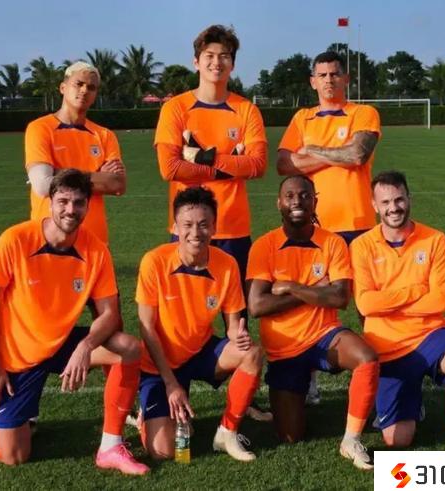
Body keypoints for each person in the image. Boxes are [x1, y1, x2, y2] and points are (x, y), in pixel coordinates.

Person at [0, 170, 149, 474]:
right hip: (18, 356)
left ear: (88, 205)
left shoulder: (96, 250)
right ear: (49, 202)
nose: (70, 210)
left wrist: (85, 347)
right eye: (63, 201)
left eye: (78, 202)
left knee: (128, 348)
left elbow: (110, 314)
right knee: (14, 455)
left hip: (63, 343)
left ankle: (110, 445)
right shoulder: (16, 239)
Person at [154, 24, 270, 421]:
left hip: (234, 229)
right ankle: (165, 388)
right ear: (196, 61)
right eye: (209, 56)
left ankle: (242, 397)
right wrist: (230, 161)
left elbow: (257, 165)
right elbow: (170, 168)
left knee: (238, 318)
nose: (216, 63)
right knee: (177, 317)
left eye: (223, 56)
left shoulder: (246, 109)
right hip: (185, 231)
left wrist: (202, 157)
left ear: (232, 64)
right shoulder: (176, 108)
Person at [246, 175, 379, 471]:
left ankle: (351, 440)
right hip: (284, 348)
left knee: (366, 358)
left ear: (315, 201)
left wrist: (291, 287)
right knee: (290, 436)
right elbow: (257, 306)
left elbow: (340, 297)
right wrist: (316, 290)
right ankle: (300, 389)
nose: (298, 201)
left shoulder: (332, 242)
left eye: (305, 195)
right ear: (279, 203)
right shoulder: (264, 245)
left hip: (324, 335)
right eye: (290, 196)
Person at [350, 170, 445, 451]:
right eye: (385, 202)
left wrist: (388, 304)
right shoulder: (361, 246)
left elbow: (440, 302)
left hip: (429, 335)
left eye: (399, 199)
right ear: (374, 206)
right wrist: (417, 291)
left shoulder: (435, 239)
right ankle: (412, 399)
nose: (393, 208)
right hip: (386, 345)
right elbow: (366, 304)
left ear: (409, 198)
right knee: (397, 440)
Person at [276, 51, 381, 404]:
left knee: (369, 306)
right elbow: (284, 164)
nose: (329, 80)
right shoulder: (302, 118)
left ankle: (384, 377)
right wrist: (337, 152)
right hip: (315, 229)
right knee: (312, 303)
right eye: (322, 75)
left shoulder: (363, 113)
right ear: (312, 81)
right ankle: (309, 379)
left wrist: (314, 151)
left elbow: (357, 155)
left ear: (346, 79)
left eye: (335, 74)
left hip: (359, 227)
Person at [136, 186, 263, 462]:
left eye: (204, 224)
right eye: (188, 225)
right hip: (159, 364)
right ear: (175, 227)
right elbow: (146, 328)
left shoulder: (227, 264)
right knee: (163, 451)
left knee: (252, 353)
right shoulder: (154, 262)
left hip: (200, 352)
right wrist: (170, 383)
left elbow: (232, 324)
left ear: (214, 227)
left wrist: (237, 336)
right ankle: (147, 413)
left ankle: (227, 432)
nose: (196, 232)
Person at [25, 61, 125, 246]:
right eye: (79, 84)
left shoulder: (105, 135)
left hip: (94, 241)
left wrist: (58, 174)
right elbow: (42, 185)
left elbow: (117, 184)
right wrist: (98, 177)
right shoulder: (40, 128)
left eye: (91, 87)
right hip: (49, 240)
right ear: (63, 88)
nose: (85, 90)